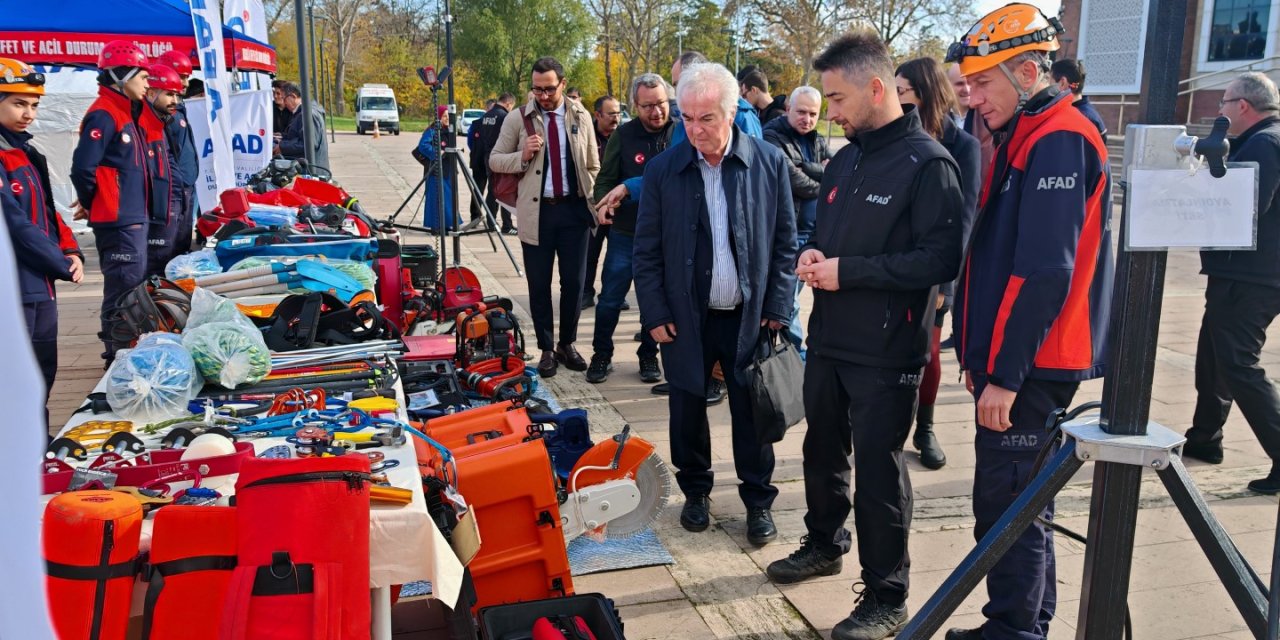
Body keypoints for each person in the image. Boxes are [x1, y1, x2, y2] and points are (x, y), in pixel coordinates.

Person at [764, 32, 965, 640]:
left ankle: (886, 595)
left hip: (887, 350)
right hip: (829, 338)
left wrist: (847, 271)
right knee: (820, 452)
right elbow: (834, 236)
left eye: (837, 97)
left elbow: (940, 259)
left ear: (876, 89)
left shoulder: (929, 164)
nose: (830, 110)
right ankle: (824, 543)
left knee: (879, 475)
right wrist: (816, 255)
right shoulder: (846, 159)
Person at [944, 5, 1113, 639]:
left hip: (1034, 364)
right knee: (1020, 503)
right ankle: (1022, 624)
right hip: (1025, 360)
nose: (972, 96)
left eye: (982, 82)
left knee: (1008, 505)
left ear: (1026, 69)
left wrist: (1006, 375)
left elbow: (1046, 271)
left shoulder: (1059, 136)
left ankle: (1013, 630)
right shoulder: (1033, 129)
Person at [633, 62, 797, 549]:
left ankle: (758, 502)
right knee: (686, 410)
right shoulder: (666, 169)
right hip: (686, 318)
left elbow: (786, 242)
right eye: (687, 118)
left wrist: (778, 306)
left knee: (752, 411)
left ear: (732, 112)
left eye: (706, 118)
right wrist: (655, 313)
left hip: (748, 318)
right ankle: (697, 493)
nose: (695, 129)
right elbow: (646, 250)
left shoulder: (768, 162)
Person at [1183, 72, 1280, 493]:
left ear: (1244, 105)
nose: (1218, 111)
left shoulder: (1264, 143)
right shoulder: (1262, 140)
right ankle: (1206, 438)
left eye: (1223, 102)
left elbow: (1240, 207)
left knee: (1239, 364)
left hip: (1251, 276)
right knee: (1214, 357)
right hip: (1247, 273)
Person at [894, 56, 983, 471]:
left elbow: (963, 219)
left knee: (928, 352)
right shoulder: (894, 137)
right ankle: (889, 422)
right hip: (891, 265)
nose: (895, 99)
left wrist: (947, 283)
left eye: (902, 92)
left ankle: (925, 427)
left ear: (924, 94)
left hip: (934, 272)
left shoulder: (962, 146)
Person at [489, 57, 600, 378]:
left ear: (563, 84)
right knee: (539, 286)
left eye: (549, 89)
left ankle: (568, 343)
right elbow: (495, 160)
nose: (543, 95)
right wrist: (522, 157)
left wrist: (594, 201)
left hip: (575, 211)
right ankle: (547, 349)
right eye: (537, 89)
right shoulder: (516, 119)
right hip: (536, 213)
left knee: (574, 284)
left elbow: (593, 164)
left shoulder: (581, 115)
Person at [0, 57, 84, 421]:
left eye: (33, 105)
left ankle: (38, 447)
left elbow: (50, 213)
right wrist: (59, 262)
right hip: (14, 286)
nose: (29, 114)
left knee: (42, 374)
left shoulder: (27, 151)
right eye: (18, 103)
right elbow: (14, 223)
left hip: (41, 284)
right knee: (14, 381)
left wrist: (70, 248)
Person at [70, 40, 161, 363]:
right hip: (120, 219)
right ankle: (115, 354)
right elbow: (82, 168)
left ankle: (124, 348)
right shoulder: (105, 114)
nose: (148, 83)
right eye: (143, 76)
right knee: (122, 289)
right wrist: (93, 201)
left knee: (131, 287)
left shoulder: (126, 113)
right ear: (121, 75)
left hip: (132, 217)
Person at [586, 74, 675, 385]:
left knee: (656, 300)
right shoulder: (622, 136)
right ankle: (601, 354)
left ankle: (648, 355)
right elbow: (605, 181)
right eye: (648, 106)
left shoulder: (682, 132)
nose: (656, 112)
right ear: (635, 106)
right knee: (610, 298)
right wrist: (604, 204)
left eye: (661, 104)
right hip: (626, 234)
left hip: (667, 236)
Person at [762, 85, 833, 361]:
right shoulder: (772, 135)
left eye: (813, 114)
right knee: (787, 300)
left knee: (793, 298)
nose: (807, 119)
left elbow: (836, 171)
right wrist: (822, 176)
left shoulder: (816, 139)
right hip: (784, 233)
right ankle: (793, 356)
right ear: (788, 108)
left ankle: (789, 353)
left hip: (813, 233)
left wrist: (810, 168)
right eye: (801, 112)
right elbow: (791, 179)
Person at [155, 50, 198, 256]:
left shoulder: (178, 107)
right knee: (172, 244)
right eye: (182, 77)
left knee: (182, 241)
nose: (186, 83)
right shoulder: (164, 112)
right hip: (176, 186)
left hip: (187, 183)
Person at [142, 64, 183, 276]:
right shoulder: (142, 124)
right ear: (151, 93)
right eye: (169, 95)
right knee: (152, 269)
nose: (174, 101)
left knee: (162, 266)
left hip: (167, 207)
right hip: (156, 211)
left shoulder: (160, 123)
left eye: (176, 95)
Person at [583, 94, 623, 310]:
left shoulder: (624, 136)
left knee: (617, 256)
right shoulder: (588, 137)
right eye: (611, 114)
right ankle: (586, 293)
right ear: (598, 115)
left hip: (620, 206)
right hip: (593, 205)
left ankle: (614, 294)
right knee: (590, 253)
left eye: (618, 113)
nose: (616, 117)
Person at [671, 53, 762, 147]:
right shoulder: (681, 122)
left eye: (679, 84)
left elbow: (754, 156)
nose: (677, 92)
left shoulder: (742, 116)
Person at [473, 92, 517, 234]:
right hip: (502, 156)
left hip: (488, 156)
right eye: (512, 107)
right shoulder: (505, 117)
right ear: (509, 104)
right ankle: (507, 225)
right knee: (505, 189)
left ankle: (491, 222)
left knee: (493, 190)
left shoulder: (487, 116)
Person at [417, 105, 459, 231]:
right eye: (444, 116)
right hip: (436, 170)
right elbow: (423, 145)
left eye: (448, 116)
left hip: (448, 169)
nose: (446, 118)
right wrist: (436, 152)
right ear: (439, 117)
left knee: (448, 198)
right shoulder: (433, 130)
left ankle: (446, 223)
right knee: (437, 198)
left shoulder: (449, 130)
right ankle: (436, 225)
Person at [276, 81, 329, 173]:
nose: (284, 103)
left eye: (284, 99)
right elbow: (298, 135)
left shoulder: (308, 114)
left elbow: (309, 144)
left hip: (312, 170)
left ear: (293, 96)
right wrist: (282, 136)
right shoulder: (301, 113)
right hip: (309, 167)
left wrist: (282, 147)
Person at [1050, 59, 1108, 143]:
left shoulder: (1076, 118)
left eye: (1049, 80)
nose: (1047, 87)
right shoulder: (1089, 113)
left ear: (1062, 83)